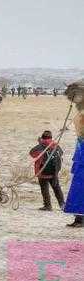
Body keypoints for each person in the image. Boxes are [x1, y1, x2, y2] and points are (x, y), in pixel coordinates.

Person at [64, 85, 84, 227]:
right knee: (78, 186)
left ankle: (80, 218)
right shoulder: (80, 113)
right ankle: (79, 217)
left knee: (79, 186)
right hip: (80, 150)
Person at [29, 130, 64, 211]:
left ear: (42, 137)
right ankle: (62, 204)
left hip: (42, 173)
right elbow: (61, 153)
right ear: (51, 137)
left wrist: (40, 143)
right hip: (54, 173)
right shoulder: (56, 145)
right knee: (57, 189)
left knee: (44, 190)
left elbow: (32, 153)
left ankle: (48, 205)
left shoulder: (40, 147)